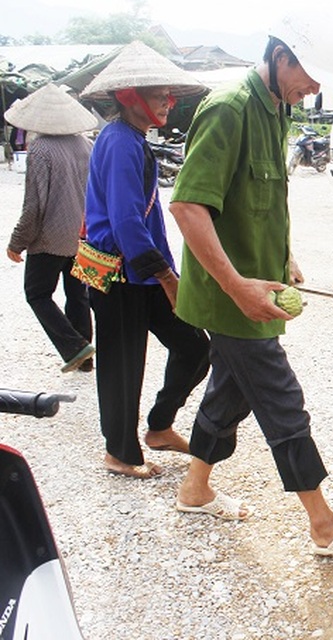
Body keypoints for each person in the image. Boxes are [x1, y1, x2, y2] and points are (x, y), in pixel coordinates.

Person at [168, 17, 333, 556]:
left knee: (230, 389)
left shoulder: (277, 108)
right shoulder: (230, 108)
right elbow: (188, 206)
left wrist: (283, 254)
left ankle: (194, 489)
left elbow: (264, 197)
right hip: (231, 296)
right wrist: (237, 286)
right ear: (281, 56)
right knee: (282, 400)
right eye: (309, 74)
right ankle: (323, 525)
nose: (314, 87)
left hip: (256, 289)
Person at [80, 41, 211, 479]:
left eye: (169, 96)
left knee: (194, 346)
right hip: (122, 273)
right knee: (123, 365)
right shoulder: (120, 141)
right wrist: (168, 278)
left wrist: (162, 274)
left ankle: (159, 426)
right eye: (159, 95)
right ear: (129, 96)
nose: (167, 103)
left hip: (144, 273)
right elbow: (125, 220)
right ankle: (119, 453)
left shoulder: (131, 138)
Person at [5, 83, 98, 373]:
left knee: (37, 293)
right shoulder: (86, 144)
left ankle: (74, 347)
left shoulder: (41, 149)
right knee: (78, 294)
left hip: (51, 237)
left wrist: (17, 242)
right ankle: (86, 358)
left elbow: (34, 206)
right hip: (82, 234)